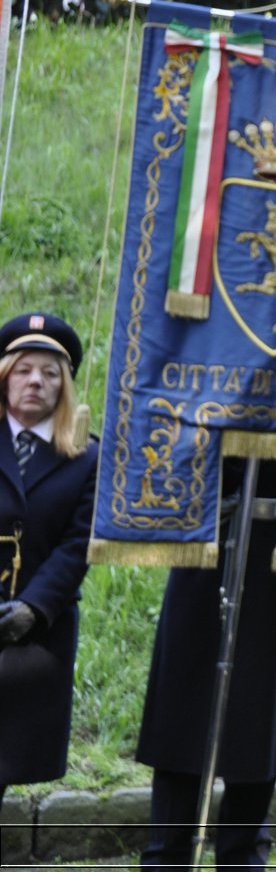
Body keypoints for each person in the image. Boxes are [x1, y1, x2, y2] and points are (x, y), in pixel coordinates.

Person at [138, 459, 276, 871]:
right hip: (205, 545)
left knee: (257, 733)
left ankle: (243, 857)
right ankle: (168, 857)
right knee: (183, 729)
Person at [0, 315, 95, 816]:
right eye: (24, 370)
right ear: (5, 375)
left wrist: (33, 608)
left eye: (51, 373)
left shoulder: (86, 458)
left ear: (65, 385)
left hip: (32, 632)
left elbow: (79, 543)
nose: (37, 381)